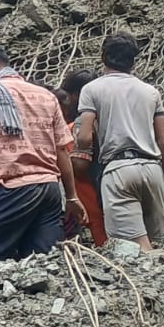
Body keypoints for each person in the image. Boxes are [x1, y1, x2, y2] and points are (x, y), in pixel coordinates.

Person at [0, 44, 86, 260]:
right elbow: (61, 151)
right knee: (44, 261)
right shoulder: (46, 96)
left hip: (16, 188)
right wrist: (72, 196)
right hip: (50, 189)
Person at [76, 34, 164, 251]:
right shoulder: (151, 92)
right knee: (155, 242)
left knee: (133, 247)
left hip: (118, 170)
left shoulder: (92, 89)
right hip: (153, 171)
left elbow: (85, 138)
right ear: (134, 61)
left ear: (103, 57)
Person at [55, 70, 106, 246]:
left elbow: (78, 165)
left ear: (76, 96)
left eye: (66, 97)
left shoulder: (76, 126)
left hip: (89, 202)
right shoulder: (108, 120)